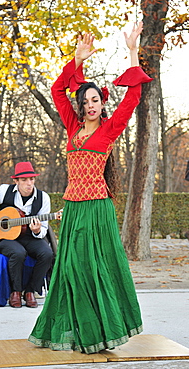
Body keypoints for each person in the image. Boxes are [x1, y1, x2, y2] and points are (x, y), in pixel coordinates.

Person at [28, 23, 153, 353]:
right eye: (86, 101)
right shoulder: (72, 127)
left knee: (95, 269)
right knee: (70, 269)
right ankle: (83, 332)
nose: (91, 105)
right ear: (81, 106)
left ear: (101, 103)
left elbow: (134, 95)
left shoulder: (109, 130)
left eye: (96, 100)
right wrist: (77, 59)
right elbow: (57, 91)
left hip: (97, 208)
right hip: (73, 208)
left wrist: (130, 51)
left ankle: (100, 331)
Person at [0, 161, 54, 308]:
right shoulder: (4, 191)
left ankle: (30, 291)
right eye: (24, 180)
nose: (29, 183)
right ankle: (16, 291)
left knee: (47, 253)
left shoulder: (43, 198)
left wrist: (37, 231)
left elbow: (44, 228)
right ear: (16, 181)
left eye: (32, 179)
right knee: (18, 252)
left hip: (29, 236)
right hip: (5, 237)